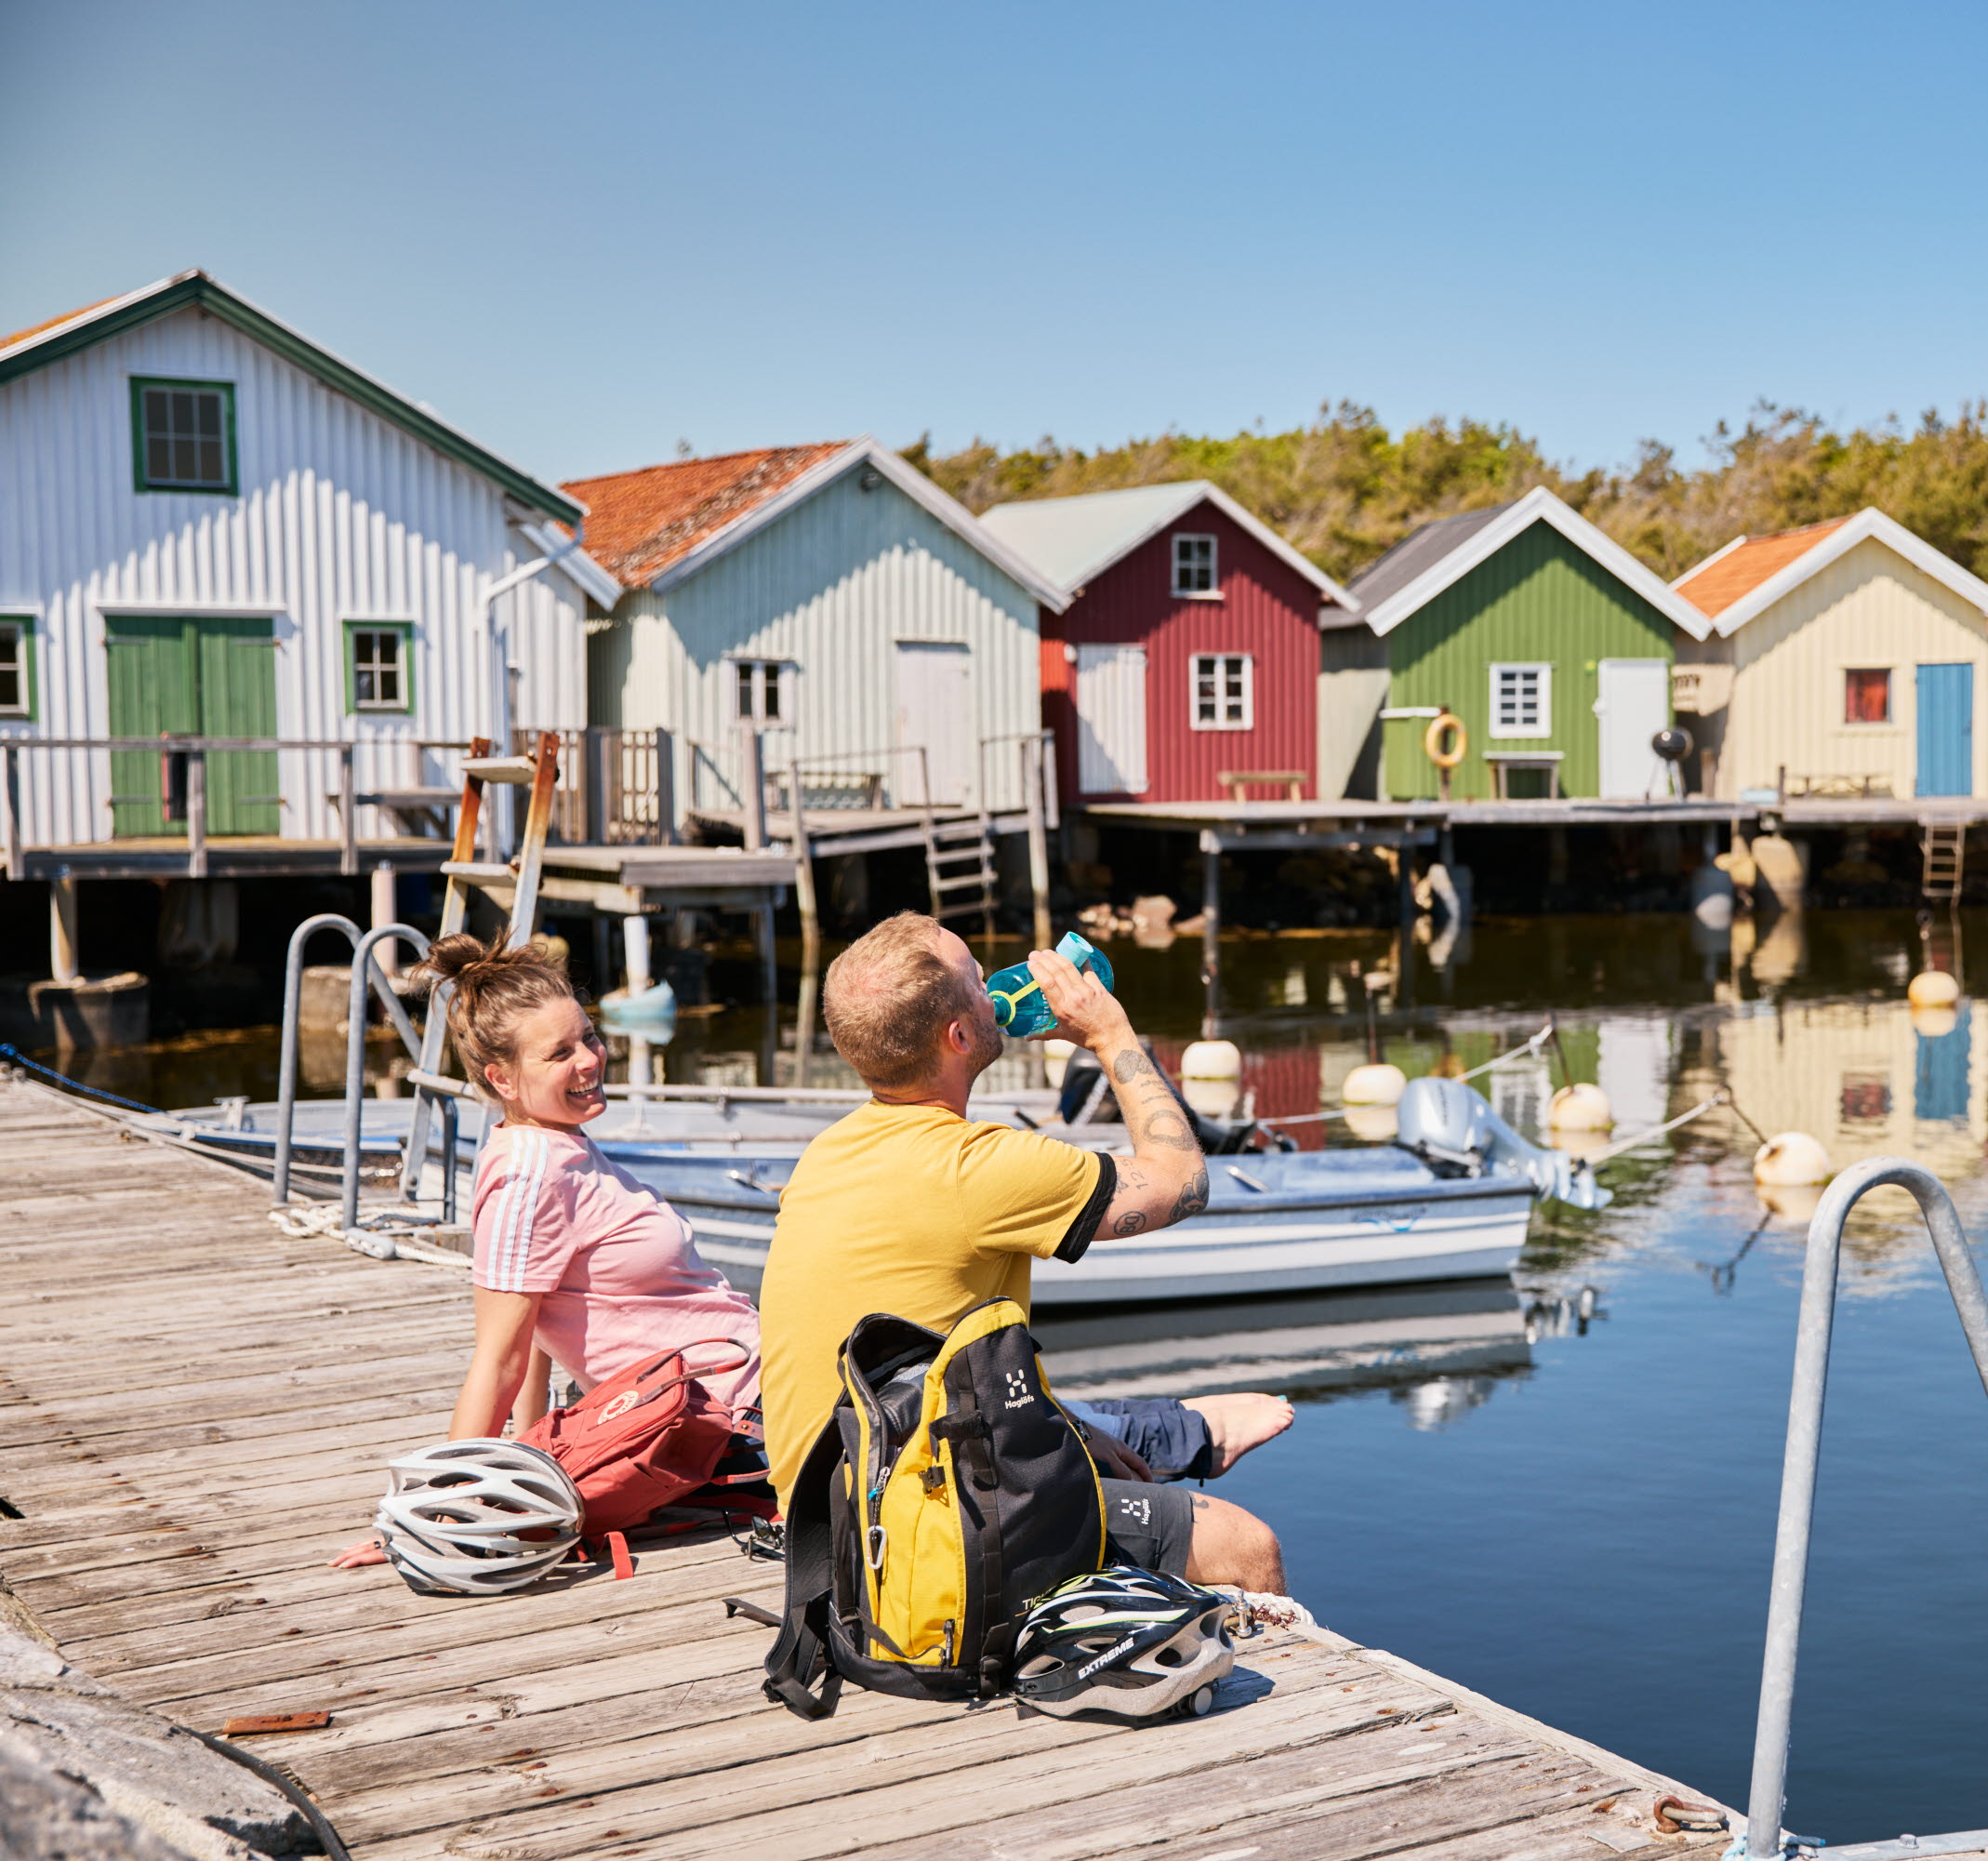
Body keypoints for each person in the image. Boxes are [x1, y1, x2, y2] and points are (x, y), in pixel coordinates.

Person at [759, 912, 1293, 1594]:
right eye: (981, 981)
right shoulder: (981, 1165)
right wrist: (1109, 1032)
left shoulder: (825, 1155)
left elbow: (935, 1360)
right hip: (907, 1548)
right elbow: (1184, 1180)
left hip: (824, 1523)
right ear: (958, 1035)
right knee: (1245, 1544)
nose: (995, 987)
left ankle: (1161, 1440)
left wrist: (1069, 1432)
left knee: (1096, 1443)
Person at [332, 934, 762, 1568]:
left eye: (588, 1036)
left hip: (747, 1393)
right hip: (735, 1429)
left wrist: (531, 1457)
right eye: (560, 1053)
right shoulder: (532, 1174)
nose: (590, 1059)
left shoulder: (559, 1142)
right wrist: (436, 1514)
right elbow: (501, 1356)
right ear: (502, 1078)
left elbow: (536, 1331)